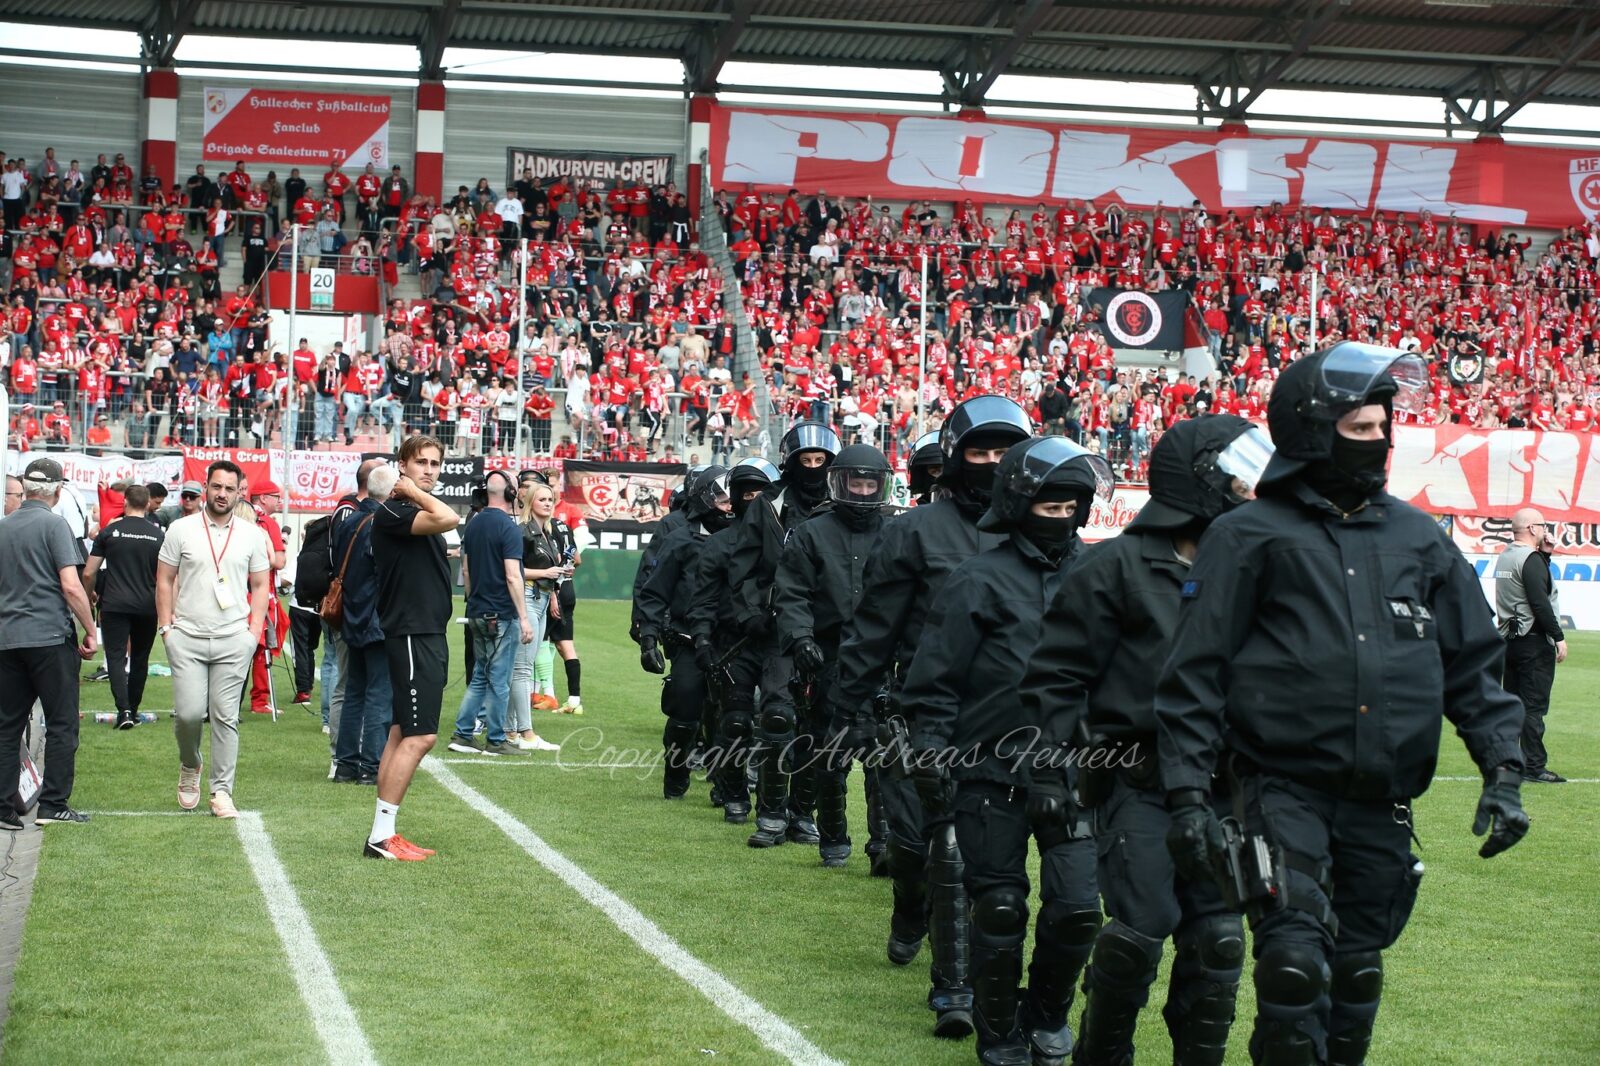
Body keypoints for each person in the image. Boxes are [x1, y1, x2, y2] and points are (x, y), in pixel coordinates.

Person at [1155, 344, 1530, 1065]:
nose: (1380, 441)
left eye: (1384, 426)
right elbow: (1193, 675)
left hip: (1383, 799)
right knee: (1293, 966)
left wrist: (1504, 772)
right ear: (1311, 430)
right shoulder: (1247, 535)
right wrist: (1188, 799)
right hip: (1282, 789)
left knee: (1356, 975)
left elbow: (1474, 668)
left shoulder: (1419, 539)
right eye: (1361, 428)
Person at [1020, 416, 1272, 1066]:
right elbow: (1056, 679)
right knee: (1141, 930)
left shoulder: (1260, 568)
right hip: (1139, 780)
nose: (1255, 490)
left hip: (1230, 790)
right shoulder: (1114, 568)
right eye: (1240, 477)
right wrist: (1049, 773)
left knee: (1220, 942)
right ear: (1201, 480)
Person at [907, 435, 1113, 1066]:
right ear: (1020, 506)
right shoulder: (976, 579)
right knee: (998, 907)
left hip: (1075, 771)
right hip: (987, 770)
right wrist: (930, 750)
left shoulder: (1101, 576)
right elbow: (936, 678)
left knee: (1078, 908)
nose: (1061, 519)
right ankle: (998, 1033)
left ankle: (1045, 1013)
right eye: (1049, 507)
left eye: (1071, 508)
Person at [832, 394, 1032, 1038]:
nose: (993, 463)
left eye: (1005, 452)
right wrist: (848, 709)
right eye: (981, 451)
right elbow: (874, 629)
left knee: (967, 851)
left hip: (1010, 719)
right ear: (954, 458)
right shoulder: (913, 531)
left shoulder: (1044, 529)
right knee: (918, 846)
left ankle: (957, 989)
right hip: (921, 712)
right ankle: (908, 906)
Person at [773, 443, 894, 870]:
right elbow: (791, 593)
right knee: (830, 753)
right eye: (854, 484)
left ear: (881, 486)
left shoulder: (899, 531)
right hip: (827, 659)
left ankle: (884, 843)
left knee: (884, 754)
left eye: (869, 485)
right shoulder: (811, 533)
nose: (861, 493)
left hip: (884, 659)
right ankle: (833, 839)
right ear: (838, 484)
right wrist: (801, 640)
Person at [728, 421, 841, 848]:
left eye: (819, 460)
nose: (812, 467)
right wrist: (751, 612)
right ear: (790, 463)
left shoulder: (845, 502)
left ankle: (803, 814)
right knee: (777, 714)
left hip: (829, 627)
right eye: (805, 460)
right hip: (777, 625)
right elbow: (743, 565)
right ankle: (771, 814)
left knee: (823, 721)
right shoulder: (768, 505)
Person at [156, 460, 272, 819]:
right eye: (216, 486)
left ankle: (222, 790)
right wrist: (166, 629)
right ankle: (190, 762)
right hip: (187, 636)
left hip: (233, 639)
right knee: (189, 715)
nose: (222, 494)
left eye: (229, 489)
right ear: (205, 487)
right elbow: (164, 579)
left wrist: (253, 633)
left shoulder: (252, 534)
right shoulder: (181, 528)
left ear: (240, 493)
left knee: (225, 717)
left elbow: (260, 585)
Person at [365, 436, 460, 860]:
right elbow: (450, 517)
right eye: (421, 462)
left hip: (423, 632)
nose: (429, 470)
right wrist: (411, 490)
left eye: (435, 464)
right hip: (411, 632)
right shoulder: (394, 509)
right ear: (402, 465)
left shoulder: (410, 510)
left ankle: (382, 833)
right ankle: (381, 836)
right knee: (421, 737)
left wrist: (416, 492)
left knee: (402, 732)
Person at [0, 458, 98, 826]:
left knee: (7, 725)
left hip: (8, 638)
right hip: (49, 637)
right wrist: (90, 628)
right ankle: (53, 804)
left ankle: (2, 807)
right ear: (57, 491)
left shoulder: (3, 527)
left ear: (25, 489)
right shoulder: (55, 525)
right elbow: (71, 586)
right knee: (61, 723)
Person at [687, 457, 780, 823]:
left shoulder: (790, 539)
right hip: (732, 644)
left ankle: (775, 806)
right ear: (736, 498)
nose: (754, 502)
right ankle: (734, 792)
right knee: (736, 721)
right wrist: (702, 641)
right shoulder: (718, 544)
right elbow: (704, 600)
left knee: (779, 721)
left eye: (761, 495)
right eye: (748, 494)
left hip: (777, 642)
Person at [636, 467, 734, 799]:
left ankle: (727, 785)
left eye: (732, 499)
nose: (729, 506)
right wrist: (648, 637)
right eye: (722, 499)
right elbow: (654, 591)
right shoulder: (680, 539)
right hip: (688, 638)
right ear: (705, 499)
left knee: (736, 713)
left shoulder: (748, 539)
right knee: (686, 706)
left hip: (734, 641)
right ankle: (676, 770)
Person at [447, 470, 536, 758]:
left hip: (477, 610)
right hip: (501, 614)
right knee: (499, 681)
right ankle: (496, 739)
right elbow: (513, 575)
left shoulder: (473, 524)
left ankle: (463, 734)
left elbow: (466, 570)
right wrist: (524, 617)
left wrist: (474, 601)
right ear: (511, 493)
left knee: (480, 677)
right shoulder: (509, 528)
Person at [1494, 507, 1569, 783]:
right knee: (1533, 707)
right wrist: (1558, 636)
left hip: (1510, 641)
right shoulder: (1530, 559)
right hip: (1533, 642)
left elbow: (1525, 585)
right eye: (1543, 525)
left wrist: (1545, 555)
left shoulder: (1506, 556)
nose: (1546, 530)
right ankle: (1534, 766)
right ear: (1533, 529)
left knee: (1512, 705)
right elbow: (1540, 602)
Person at [85, 483, 165, 730]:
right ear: (148, 504)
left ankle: (124, 711)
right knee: (140, 658)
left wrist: (89, 595)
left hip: (115, 604)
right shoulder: (158, 535)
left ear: (125, 502)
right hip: (146, 605)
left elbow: (88, 572)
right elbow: (167, 576)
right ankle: (134, 709)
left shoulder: (109, 532)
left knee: (116, 657)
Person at [331, 471, 392, 783]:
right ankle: (370, 765)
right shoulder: (381, 524)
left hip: (353, 615)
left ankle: (346, 764)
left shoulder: (349, 520)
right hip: (375, 617)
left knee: (354, 691)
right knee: (378, 693)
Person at [505, 479, 565, 750]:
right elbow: (512, 569)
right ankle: (525, 732)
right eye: (542, 499)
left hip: (541, 598)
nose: (548, 503)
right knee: (521, 668)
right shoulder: (522, 531)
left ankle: (510, 731)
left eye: (550, 499)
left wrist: (554, 584)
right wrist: (546, 572)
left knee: (523, 668)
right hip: (528, 597)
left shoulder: (546, 533)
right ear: (530, 502)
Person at [247, 481, 289, 715]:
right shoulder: (267, 523)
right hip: (261, 592)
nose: (279, 501)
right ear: (262, 498)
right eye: (276, 496)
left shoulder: (235, 517)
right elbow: (279, 562)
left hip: (233, 591)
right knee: (263, 646)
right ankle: (260, 700)